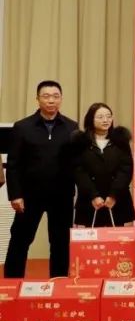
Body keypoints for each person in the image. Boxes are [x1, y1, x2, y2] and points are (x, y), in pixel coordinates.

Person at [3, 81, 79, 278]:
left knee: (60, 242)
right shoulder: (22, 127)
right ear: (37, 99)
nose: (51, 100)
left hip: (61, 196)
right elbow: (13, 164)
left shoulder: (72, 127)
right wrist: (15, 195)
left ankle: (58, 282)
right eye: (46, 96)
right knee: (20, 239)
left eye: (55, 96)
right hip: (29, 196)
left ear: (61, 99)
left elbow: (76, 163)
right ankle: (12, 283)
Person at [70, 103, 135, 228]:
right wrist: (93, 196)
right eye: (100, 117)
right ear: (90, 119)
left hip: (117, 200)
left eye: (108, 116)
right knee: (92, 238)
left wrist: (113, 195)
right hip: (90, 200)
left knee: (117, 238)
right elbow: (79, 171)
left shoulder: (120, 140)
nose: (105, 120)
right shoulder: (81, 142)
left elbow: (126, 169)